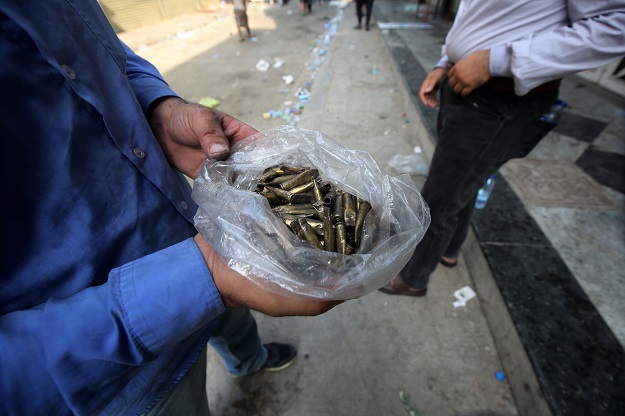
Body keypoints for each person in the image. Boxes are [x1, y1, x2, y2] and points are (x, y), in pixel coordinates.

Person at [0, 1, 341, 415]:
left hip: (194, 229)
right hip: (123, 380)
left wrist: (157, 107)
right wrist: (208, 276)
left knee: (235, 324)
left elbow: (103, 54)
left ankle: (247, 360)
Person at [380, 0, 625, 297]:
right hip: (462, 86)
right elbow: (475, 15)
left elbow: (615, 25)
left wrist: (496, 60)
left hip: (500, 99)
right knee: (463, 180)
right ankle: (450, 247)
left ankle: (412, 277)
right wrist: (444, 63)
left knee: (440, 196)